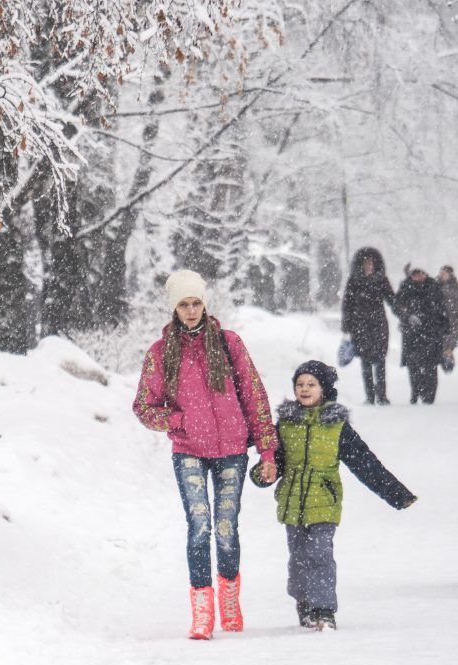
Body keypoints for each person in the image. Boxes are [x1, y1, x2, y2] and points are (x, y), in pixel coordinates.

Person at [133, 270, 279, 640]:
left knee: (226, 528)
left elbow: (254, 396)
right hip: (189, 452)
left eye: (197, 302)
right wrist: (179, 419)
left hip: (232, 449)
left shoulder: (229, 344)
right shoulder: (161, 353)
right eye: (184, 304)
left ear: (205, 303)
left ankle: (229, 597)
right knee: (200, 528)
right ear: (174, 308)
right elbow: (143, 407)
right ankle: (201, 609)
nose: (192, 310)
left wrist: (267, 449)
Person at [251, 360, 416, 631]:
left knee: (320, 554)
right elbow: (276, 462)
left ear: (324, 389)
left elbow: (366, 464)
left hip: (324, 502)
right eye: (300, 384)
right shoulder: (286, 424)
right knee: (298, 559)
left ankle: (324, 610)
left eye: (311, 385)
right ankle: (304, 605)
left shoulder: (337, 426)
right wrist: (261, 474)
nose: (304, 389)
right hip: (292, 504)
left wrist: (396, 494)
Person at [341, 248, 395, 405]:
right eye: (366, 263)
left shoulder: (382, 280)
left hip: (379, 325)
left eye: (371, 263)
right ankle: (370, 396)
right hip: (360, 326)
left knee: (380, 361)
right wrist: (347, 326)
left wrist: (404, 313)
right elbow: (347, 305)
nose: (369, 266)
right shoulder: (354, 281)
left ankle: (382, 395)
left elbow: (392, 300)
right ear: (361, 265)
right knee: (365, 362)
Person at [395, 265, 448, 404]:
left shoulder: (434, 287)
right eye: (414, 274)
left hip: (431, 332)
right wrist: (407, 316)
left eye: (420, 273)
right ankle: (415, 392)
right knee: (413, 366)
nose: (417, 276)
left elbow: (441, 309)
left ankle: (429, 396)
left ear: (425, 273)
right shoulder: (406, 286)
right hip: (411, 333)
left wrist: (444, 327)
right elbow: (398, 306)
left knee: (431, 365)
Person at [439, 265, 458, 369]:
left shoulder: (455, 288)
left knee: (448, 344)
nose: (442, 275)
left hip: (452, 323)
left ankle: (448, 363)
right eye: (441, 273)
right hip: (440, 321)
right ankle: (445, 362)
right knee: (444, 344)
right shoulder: (436, 286)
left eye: (444, 273)